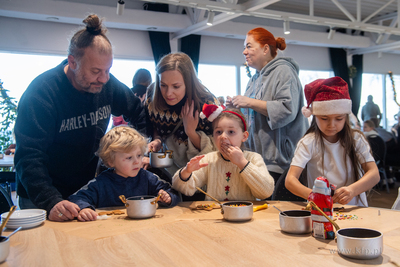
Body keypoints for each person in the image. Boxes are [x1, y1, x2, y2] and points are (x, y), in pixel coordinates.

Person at [14, 14, 144, 221]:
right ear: (72, 62)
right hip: (41, 195)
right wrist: (52, 201)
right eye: (95, 71)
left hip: (84, 191)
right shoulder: (42, 93)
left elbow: (139, 112)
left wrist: (144, 149)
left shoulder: (107, 84)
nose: (104, 78)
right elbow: (29, 156)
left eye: (108, 70)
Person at [226, 27, 309, 184]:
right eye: (244, 47)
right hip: (257, 160)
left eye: (249, 46)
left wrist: (248, 101)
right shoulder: (253, 80)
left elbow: (287, 109)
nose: (244, 52)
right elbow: (254, 114)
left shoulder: (284, 71)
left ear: (265, 49)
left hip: (281, 164)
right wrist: (237, 107)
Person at [285, 77, 379, 207]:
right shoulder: (308, 142)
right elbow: (290, 180)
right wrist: (315, 195)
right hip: (321, 210)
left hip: (355, 208)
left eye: (339, 119)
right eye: (324, 118)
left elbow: (374, 174)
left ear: (346, 117)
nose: (331, 125)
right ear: (314, 116)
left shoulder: (356, 139)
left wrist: (352, 190)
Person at [68, 126, 180, 222]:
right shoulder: (100, 183)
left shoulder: (147, 177)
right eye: (129, 157)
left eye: (139, 155)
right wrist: (84, 208)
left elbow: (173, 192)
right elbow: (76, 199)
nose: (137, 161)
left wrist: (168, 197)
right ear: (110, 161)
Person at [172, 105, 274, 200]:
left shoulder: (253, 158)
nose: (223, 136)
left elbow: (266, 192)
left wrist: (242, 163)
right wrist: (186, 172)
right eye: (219, 132)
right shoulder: (209, 159)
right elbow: (184, 188)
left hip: (243, 215)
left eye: (231, 132)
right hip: (214, 216)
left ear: (244, 136)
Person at [145, 52, 219, 178]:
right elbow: (154, 127)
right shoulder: (153, 98)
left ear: (189, 83)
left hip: (198, 177)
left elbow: (214, 149)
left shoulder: (207, 104)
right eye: (163, 85)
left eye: (176, 86)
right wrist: (157, 139)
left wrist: (191, 132)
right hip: (167, 174)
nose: (168, 93)